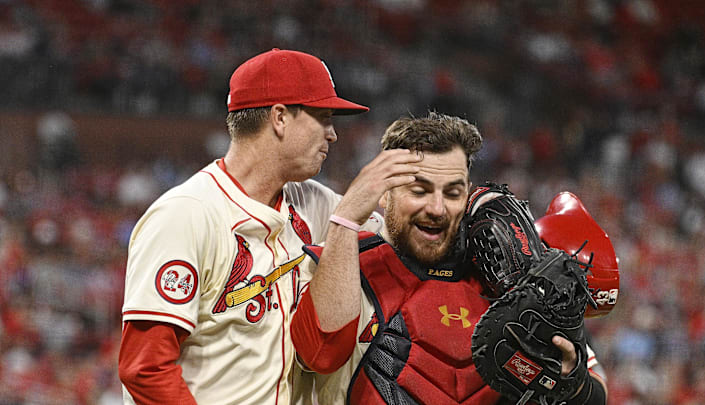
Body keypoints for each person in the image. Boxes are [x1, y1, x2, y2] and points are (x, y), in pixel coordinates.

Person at [118, 48, 423, 405]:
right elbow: (145, 369)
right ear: (280, 117)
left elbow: (403, 231)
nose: (333, 134)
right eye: (323, 118)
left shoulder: (315, 203)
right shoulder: (187, 215)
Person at [290, 112, 609, 404]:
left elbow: (595, 389)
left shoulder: (499, 276)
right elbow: (318, 354)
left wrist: (571, 378)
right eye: (420, 190)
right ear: (385, 193)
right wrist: (346, 218)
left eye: (453, 193)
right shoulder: (345, 263)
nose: (437, 208)